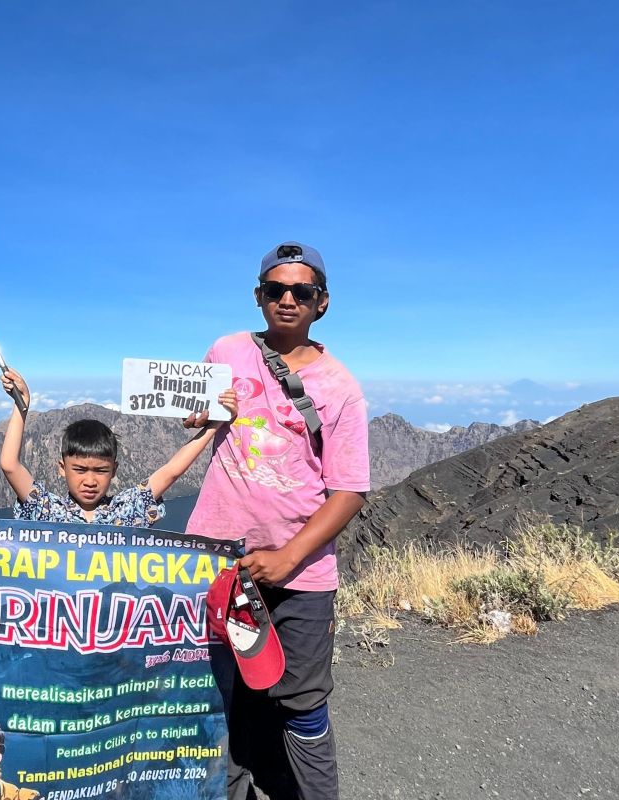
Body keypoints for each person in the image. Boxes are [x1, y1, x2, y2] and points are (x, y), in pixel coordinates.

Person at [186, 242, 370, 800]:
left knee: (304, 704)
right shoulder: (227, 348)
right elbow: (203, 418)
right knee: (221, 693)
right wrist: (198, 412)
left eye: (302, 292)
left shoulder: (340, 387)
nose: (287, 299)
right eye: (275, 289)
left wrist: (288, 557)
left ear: (322, 303)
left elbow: (349, 492)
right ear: (258, 296)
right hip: (217, 557)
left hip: (300, 573)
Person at [0, 368, 236, 525]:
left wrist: (215, 425)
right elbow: (10, 466)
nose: (90, 481)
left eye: (100, 470)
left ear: (114, 470)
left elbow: (172, 470)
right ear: (62, 467)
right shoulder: (47, 510)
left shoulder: (127, 509)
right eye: (80, 469)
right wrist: (22, 405)